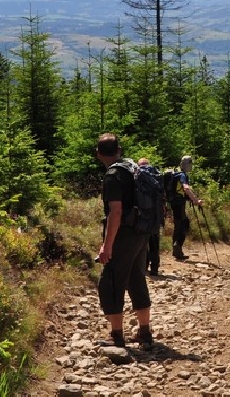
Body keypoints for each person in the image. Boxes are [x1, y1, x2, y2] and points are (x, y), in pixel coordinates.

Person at [94, 133, 153, 349]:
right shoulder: (131, 167)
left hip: (124, 234)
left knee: (111, 280)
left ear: (98, 153)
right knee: (136, 277)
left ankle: (117, 335)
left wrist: (107, 246)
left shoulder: (112, 175)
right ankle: (144, 332)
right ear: (119, 150)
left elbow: (116, 212)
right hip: (141, 231)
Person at [170, 154, 203, 261]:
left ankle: (176, 250)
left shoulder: (176, 173)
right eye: (190, 164)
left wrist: (190, 199)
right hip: (179, 204)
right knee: (185, 224)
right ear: (187, 165)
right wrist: (196, 200)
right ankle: (177, 246)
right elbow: (186, 188)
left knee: (178, 226)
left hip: (174, 203)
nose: (191, 166)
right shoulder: (182, 175)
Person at [137, 157, 163, 276]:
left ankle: (144, 266)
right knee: (154, 242)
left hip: (142, 215)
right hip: (156, 214)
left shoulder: (138, 174)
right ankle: (155, 268)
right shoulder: (157, 175)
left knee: (143, 242)